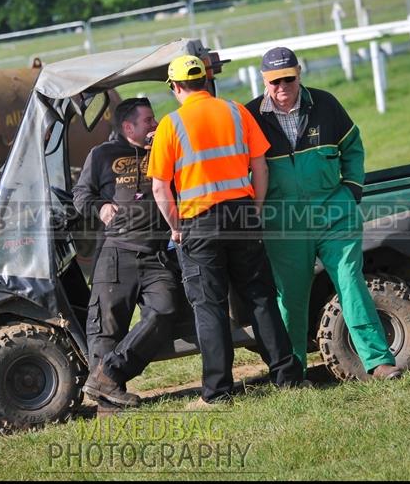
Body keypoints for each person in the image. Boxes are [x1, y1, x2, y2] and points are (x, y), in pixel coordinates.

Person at [147, 55, 305, 407]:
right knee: (260, 297)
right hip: (243, 214)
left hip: (199, 223)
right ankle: (287, 376)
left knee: (210, 307)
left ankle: (218, 393)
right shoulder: (236, 111)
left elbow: (160, 188)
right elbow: (259, 166)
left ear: (175, 88)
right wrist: (256, 209)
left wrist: (176, 227)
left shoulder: (171, 125)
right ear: (205, 80)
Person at [245, 46, 402, 381]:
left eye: (288, 79)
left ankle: (379, 361)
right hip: (283, 223)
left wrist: (351, 191)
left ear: (299, 73)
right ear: (263, 80)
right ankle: (292, 373)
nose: (282, 88)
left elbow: (353, 147)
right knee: (291, 298)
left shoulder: (326, 104)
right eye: (274, 82)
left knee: (351, 284)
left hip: (335, 213)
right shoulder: (250, 117)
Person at [72, 97, 181, 408]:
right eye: (148, 120)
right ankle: (109, 404)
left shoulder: (163, 149)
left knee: (165, 309)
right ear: (128, 126)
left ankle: (109, 374)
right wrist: (100, 206)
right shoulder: (102, 154)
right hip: (117, 252)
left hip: (157, 253)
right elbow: (81, 195)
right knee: (107, 328)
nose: (155, 123)